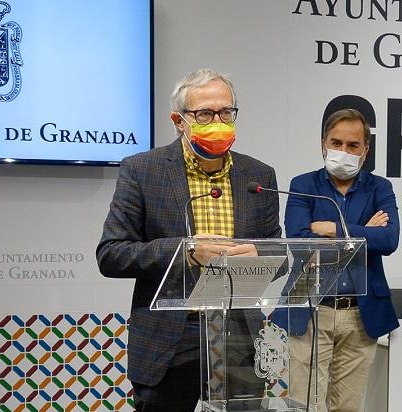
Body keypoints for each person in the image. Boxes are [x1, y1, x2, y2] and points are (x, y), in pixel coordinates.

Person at [96, 68, 281, 412]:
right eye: (205, 114)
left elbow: (278, 249)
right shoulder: (143, 170)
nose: (218, 121)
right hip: (171, 337)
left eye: (226, 112)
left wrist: (261, 252)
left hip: (238, 333)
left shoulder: (259, 175)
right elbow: (111, 254)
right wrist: (186, 252)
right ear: (179, 121)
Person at [284, 108, 400, 412]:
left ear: (365, 150)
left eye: (352, 146)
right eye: (336, 143)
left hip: (360, 314)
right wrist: (363, 236)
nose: (343, 151)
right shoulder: (303, 185)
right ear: (323, 143)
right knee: (305, 407)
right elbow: (299, 244)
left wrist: (333, 230)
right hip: (312, 309)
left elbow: (389, 240)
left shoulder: (380, 188)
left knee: (348, 408)